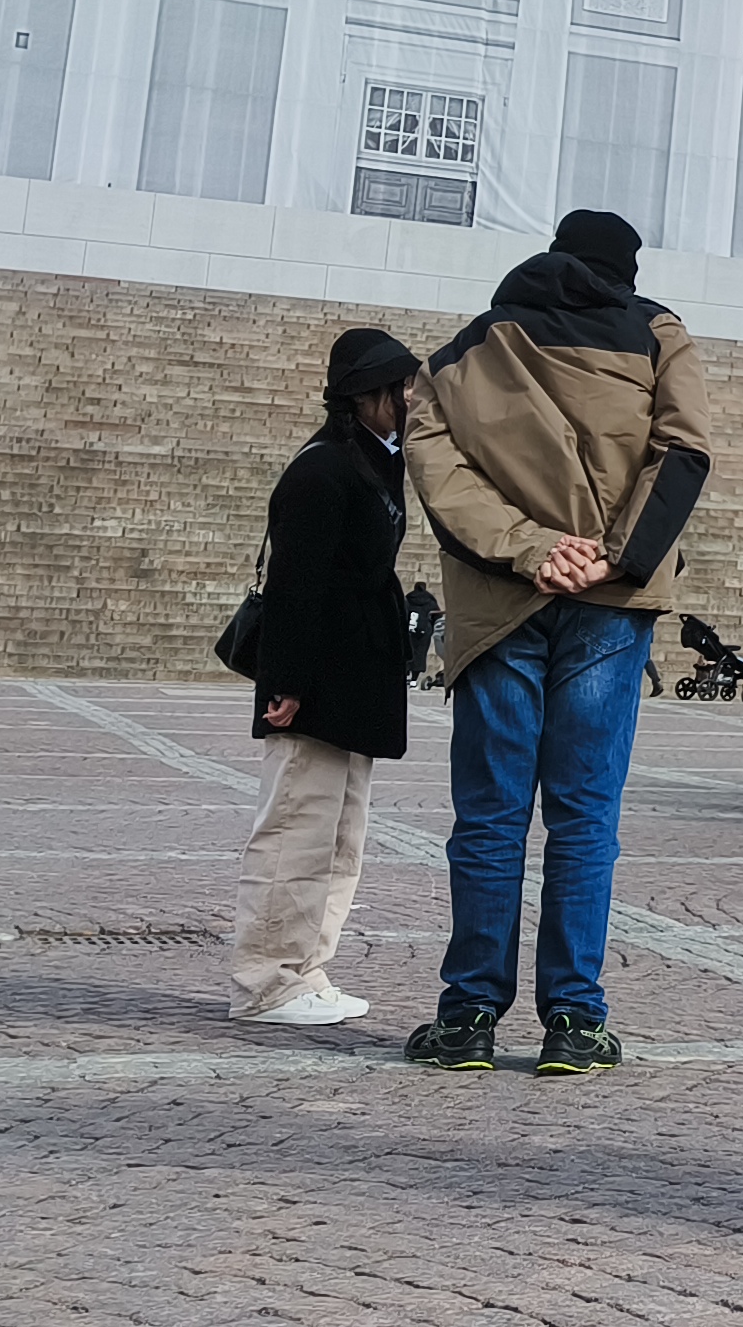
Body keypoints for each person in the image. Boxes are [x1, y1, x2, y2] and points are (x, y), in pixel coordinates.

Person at [401, 208, 714, 1077]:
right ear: (625, 267)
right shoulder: (658, 334)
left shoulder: (468, 349)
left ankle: (467, 1017)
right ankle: (574, 1022)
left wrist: (532, 551)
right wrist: (610, 558)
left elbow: (435, 468)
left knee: (491, 816)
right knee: (585, 817)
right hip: (612, 604)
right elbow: (683, 451)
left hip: (500, 603)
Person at [229, 327, 422, 1025]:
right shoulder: (323, 470)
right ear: (365, 397)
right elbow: (295, 584)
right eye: (399, 388)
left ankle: (307, 967)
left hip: (355, 683)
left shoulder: (376, 461)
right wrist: (283, 683)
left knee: (339, 835)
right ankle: (264, 981)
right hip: (313, 685)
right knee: (294, 829)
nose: (410, 399)